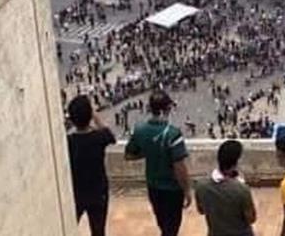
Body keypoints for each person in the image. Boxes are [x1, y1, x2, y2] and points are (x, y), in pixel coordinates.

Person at [125, 89, 192, 236]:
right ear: (167, 109)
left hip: (153, 186)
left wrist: (148, 152)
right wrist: (187, 190)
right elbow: (179, 167)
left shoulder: (140, 130)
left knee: (162, 223)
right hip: (172, 188)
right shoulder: (173, 133)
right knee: (172, 227)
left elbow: (129, 155)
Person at [67, 95, 117, 236]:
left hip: (76, 192)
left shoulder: (69, 142)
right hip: (98, 192)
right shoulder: (99, 137)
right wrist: (96, 116)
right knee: (98, 231)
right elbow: (111, 136)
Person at [195, 139, 257, 236]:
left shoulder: (201, 185)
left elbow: (201, 210)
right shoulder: (242, 189)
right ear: (237, 161)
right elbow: (251, 219)